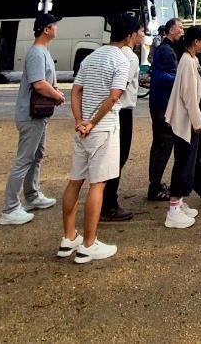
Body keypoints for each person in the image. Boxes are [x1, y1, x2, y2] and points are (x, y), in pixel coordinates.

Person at [59, 14, 137, 264]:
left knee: (75, 181)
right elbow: (115, 96)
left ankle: (68, 236)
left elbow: (76, 90)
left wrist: (79, 120)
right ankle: (89, 243)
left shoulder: (91, 56)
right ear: (128, 36)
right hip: (103, 129)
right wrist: (92, 122)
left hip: (83, 130)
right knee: (98, 184)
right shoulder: (121, 59)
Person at [0, 12, 66, 225]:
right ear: (46, 29)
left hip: (39, 114)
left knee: (37, 155)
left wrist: (55, 90)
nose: (57, 29)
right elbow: (39, 83)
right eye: (54, 25)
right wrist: (57, 95)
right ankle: (9, 209)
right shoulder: (37, 53)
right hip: (31, 115)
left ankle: (32, 194)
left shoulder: (43, 51)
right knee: (24, 159)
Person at [163, 25, 201, 229]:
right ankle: (173, 210)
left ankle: (179, 203)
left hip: (190, 119)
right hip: (186, 122)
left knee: (188, 162)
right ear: (195, 42)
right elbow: (190, 97)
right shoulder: (187, 62)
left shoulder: (192, 59)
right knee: (183, 163)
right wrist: (198, 123)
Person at [100, 23, 142, 223]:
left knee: (110, 156)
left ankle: (103, 199)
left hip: (110, 110)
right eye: (140, 31)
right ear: (131, 35)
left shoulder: (105, 53)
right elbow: (119, 87)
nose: (143, 34)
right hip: (121, 110)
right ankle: (109, 203)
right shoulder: (130, 57)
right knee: (118, 157)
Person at [146, 18, 183, 201]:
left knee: (159, 143)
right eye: (180, 28)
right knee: (164, 144)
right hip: (162, 103)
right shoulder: (166, 50)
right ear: (171, 30)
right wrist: (180, 78)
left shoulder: (167, 49)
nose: (182, 31)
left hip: (160, 102)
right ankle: (154, 187)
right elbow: (161, 77)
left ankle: (155, 183)